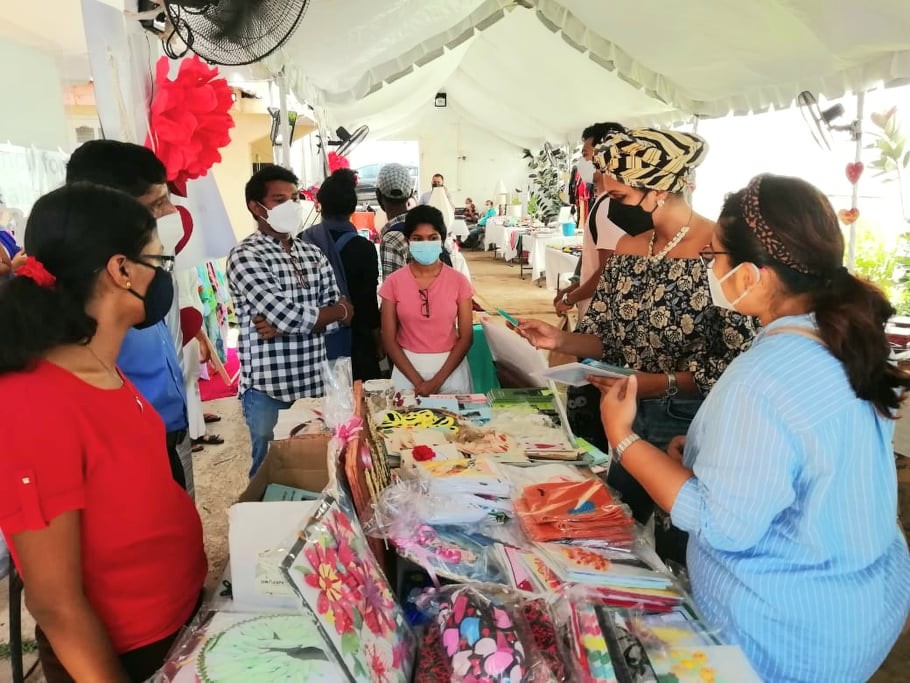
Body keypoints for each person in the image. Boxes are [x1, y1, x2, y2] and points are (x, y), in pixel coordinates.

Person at [600, 173, 910, 681]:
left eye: (714, 256)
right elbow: (805, 458)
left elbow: (720, 521)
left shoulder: (764, 376)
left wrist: (623, 437)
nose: (709, 268)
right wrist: (704, 452)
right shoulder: (841, 341)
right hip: (859, 605)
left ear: (751, 275)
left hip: (784, 634)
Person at [516, 127, 757, 563]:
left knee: (678, 548)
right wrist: (561, 339)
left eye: (621, 197)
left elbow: (735, 362)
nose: (613, 207)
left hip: (685, 424)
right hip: (625, 416)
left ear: (658, 190)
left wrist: (654, 384)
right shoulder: (629, 247)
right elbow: (607, 337)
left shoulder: (717, 253)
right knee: (615, 535)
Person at [0, 183, 206, 682]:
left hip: (176, 624)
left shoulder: (101, 365)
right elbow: (55, 602)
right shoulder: (32, 401)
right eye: (158, 260)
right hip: (124, 654)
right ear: (121, 270)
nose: (163, 276)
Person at [66, 140, 193, 494]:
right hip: (124, 455)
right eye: (156, 204)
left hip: (167, 435)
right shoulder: (85, 299)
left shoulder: (144, 270)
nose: (171, 212)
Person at [227, 165, 351, 477]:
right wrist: (324, 314)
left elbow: (344, 314)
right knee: (270, 473)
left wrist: (285, 326)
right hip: (269, 390)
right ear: (257, 207)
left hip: (314, 385)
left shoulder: (312, 254)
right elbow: (289, 314)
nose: (292, 206)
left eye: (295, 198)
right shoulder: (246, 255)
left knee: (315, 470)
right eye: (280, 200)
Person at [555, 121, 650, 318]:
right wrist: (574, 286)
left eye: (586, 155)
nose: (583, 163)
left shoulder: (611, 206)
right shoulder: (606, 202)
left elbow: (607, 273)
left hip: (601, 314)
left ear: (606, 155)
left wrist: (569, 299)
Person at [380, 205, 474, 395]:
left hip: (451, 372)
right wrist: (418, 382)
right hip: (407, 373)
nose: (425, 243)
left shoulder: (459, 281)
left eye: (432, 238)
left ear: (442, 239)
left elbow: (466, 338)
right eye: (417, 238)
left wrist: (435, 382)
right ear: (408, 240)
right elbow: (388, 339)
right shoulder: (393, 282)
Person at [301, 168, 382, 381]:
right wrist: (378, 339)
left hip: (311, 340)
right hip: (357, 341)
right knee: (358, 398)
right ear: (352, 208)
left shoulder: (301, 242)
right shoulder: (363, 248)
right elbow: (368, 302)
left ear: (320, 205)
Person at [377, 162, 414, 279]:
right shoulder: (427, 227)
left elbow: (392, 289)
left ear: (378, 195)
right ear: (411, 193)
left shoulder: (391, 240)